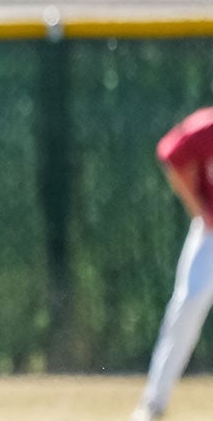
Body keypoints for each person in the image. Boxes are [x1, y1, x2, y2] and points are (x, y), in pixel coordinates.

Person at [132, 107, 213, 421]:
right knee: (187, 304)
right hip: (211, 235)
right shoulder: (206, 128)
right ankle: (154, 402)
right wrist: (199, 209)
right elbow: (172, 156)